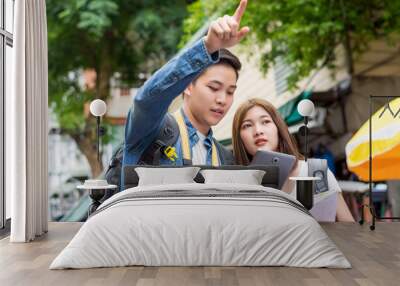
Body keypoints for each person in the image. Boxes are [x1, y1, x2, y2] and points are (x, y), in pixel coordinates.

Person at [122, 1, 250, 182]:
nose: (222, 99)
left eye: (230, 92)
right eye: (213, 88)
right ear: (188, 85)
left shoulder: (225, 158)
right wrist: (208, 47)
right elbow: (146, 101)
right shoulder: (150, 130)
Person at [232, 98, 355, 222]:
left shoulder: (315, 171)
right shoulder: (239, 188)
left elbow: (348, 228)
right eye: (247, 125)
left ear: (278, 128)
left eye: (265, 121)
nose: (258, 131)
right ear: (239, 138)